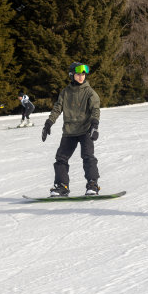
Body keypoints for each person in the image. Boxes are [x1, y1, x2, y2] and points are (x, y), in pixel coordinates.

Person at [41, 62, 101, 197]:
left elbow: (95, 110)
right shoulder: (65, 92)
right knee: (61, 158)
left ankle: (92, 184)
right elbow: (57, 108)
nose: (81, 77)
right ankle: (62, 186)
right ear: (72, 75)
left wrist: (95, 125)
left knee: (88, 157)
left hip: (85, 130)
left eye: (83, 74)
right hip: (69, 131)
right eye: (78, 74)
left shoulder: (89, 92)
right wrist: (48, 123)